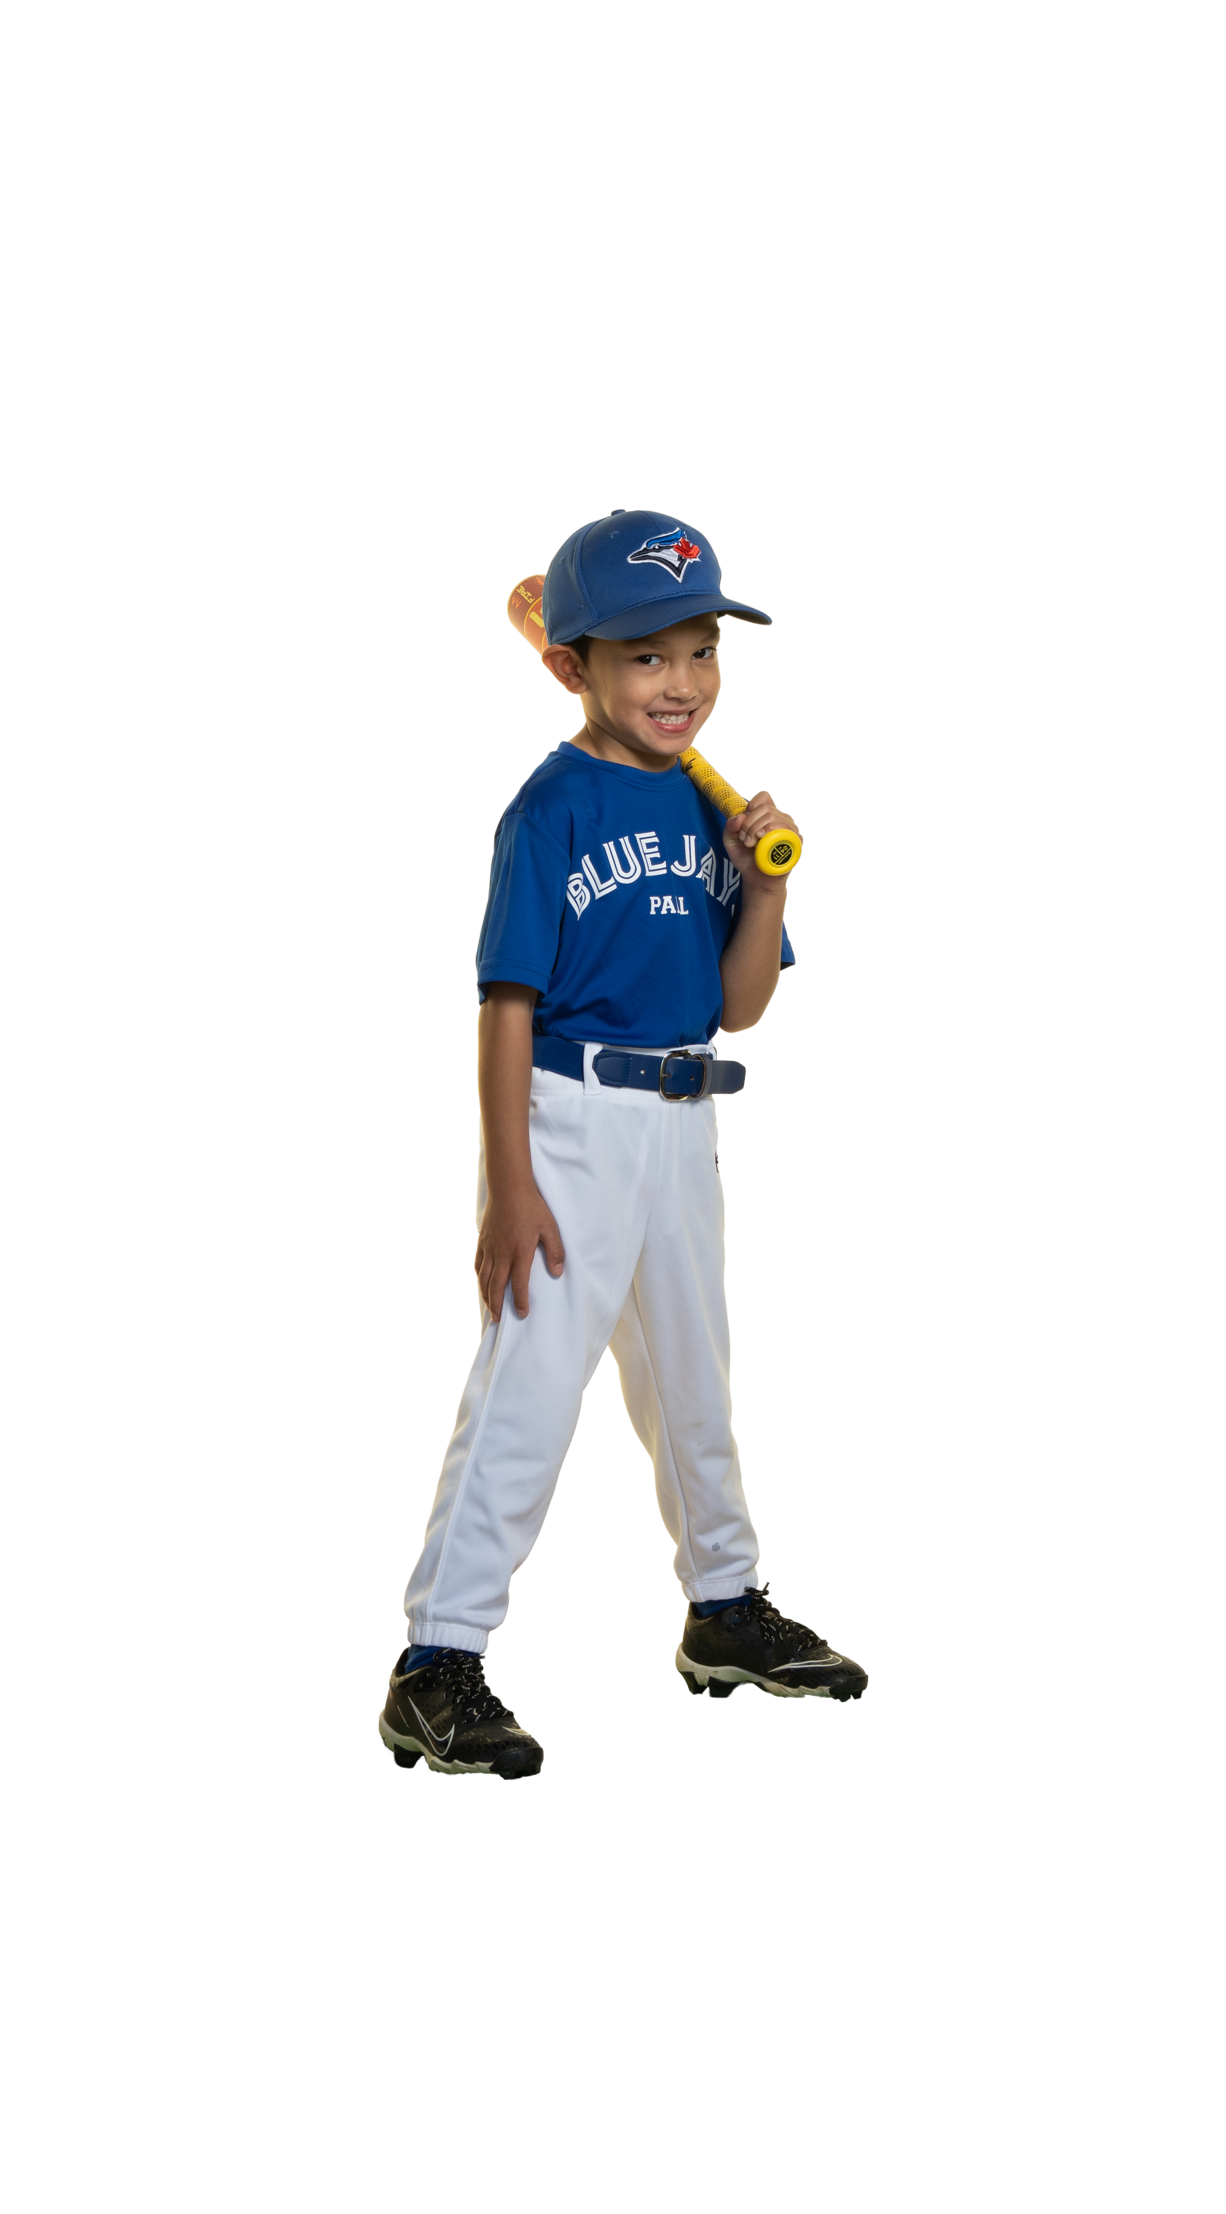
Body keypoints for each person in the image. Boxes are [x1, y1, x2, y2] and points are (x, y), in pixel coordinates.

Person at [378, 510, 868, 1781]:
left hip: (685, 1120)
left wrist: (765, 883)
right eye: (646, 655)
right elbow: (504, 1004)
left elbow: (739, 1007)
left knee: (696, 1379)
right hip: (566, 1120)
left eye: (703, 650)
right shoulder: (548, 807)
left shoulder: (713, 810)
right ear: (570, 663)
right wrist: (509, 1185)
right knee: (532, 1387)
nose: (681, 681)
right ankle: (436, 1657)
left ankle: (724, 1605)